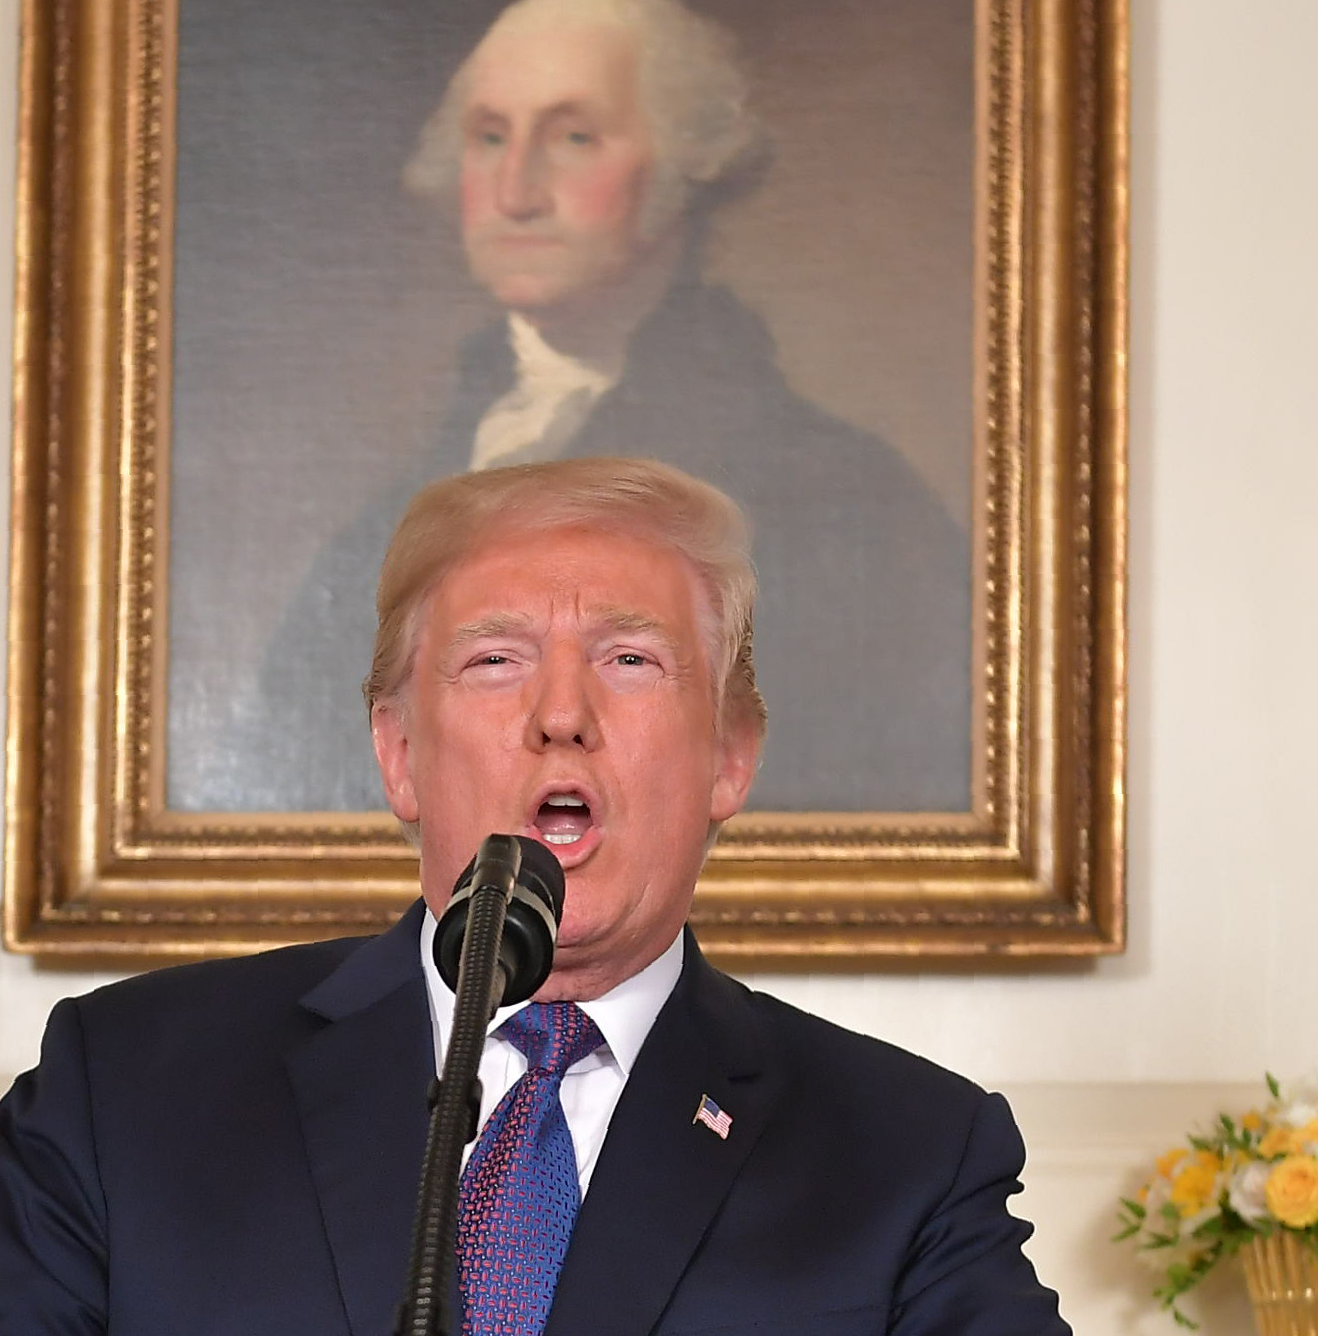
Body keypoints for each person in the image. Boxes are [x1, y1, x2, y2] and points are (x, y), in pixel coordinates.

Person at [0, 458, 1169, 1336]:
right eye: (493, 662)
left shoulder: (899, 1150)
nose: (561, 715)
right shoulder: (137, 1089)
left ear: (733, 754)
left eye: (630, 660)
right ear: (399, 753)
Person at [208, 0, 970, 816]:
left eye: (573, 138)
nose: (516, 191)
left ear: (683, 164)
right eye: (490, 137)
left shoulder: (847, 494)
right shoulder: (410, 490)